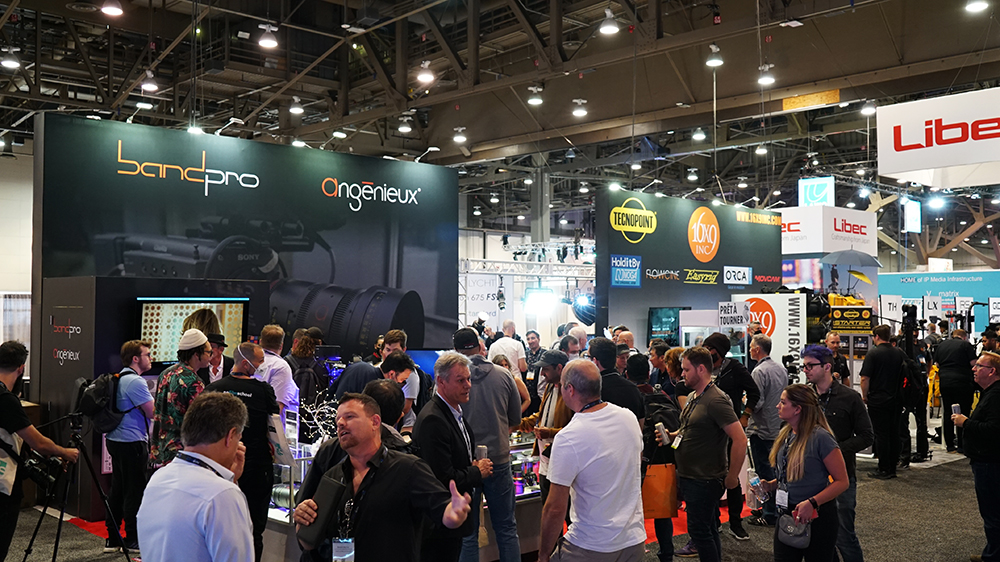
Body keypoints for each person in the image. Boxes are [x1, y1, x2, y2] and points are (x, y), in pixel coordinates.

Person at [293, 393, 472, 561]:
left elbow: (444, 511)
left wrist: (454, 514)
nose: (340, 423)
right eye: (338, 419)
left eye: (349, 416)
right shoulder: (332, 476)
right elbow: (309, 543)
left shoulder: (408, 469)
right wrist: (302, 522)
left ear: (375, 422)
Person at [539, 358, 646, 562]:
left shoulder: (568, 437)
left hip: (590, 545)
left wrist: (543, 555)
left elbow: (555, 508)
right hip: (633, 540)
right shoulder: (628, 418)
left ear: (570, 389)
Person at [137, 392, 252, 562]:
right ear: (230, 436)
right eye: (238, 439)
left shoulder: (159, 478)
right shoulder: (222, 495)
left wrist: (229, 480)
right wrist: (229, 486)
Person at [665, 347, 747, 562]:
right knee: (707, 530)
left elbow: (740, 439)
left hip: (704, 479)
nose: (682, 374)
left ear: (701, 369)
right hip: (692, 476)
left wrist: (732, 477)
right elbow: (690, 429)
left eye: (686, 370)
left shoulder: (715, 400)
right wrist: (671, 435)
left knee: (701, 532)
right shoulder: (695, 396)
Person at [0, 341, 79, 560]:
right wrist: (65, 452)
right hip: (4, 486)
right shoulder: (6, 400)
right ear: (21, 368)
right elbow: (39, 443)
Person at [413, 353, 494, 562]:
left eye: (468, 379)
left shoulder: (453, 410)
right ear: (441, 381)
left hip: (452, 519)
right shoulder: (433, 420)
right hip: (440, 523)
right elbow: (441, 479)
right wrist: (476, 471)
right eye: (460, 380)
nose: (468, 385)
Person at [204, 342, 279, 562]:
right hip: (256, 469)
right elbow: (275, 425)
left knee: (218, 527)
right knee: (254, 529)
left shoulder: (213, 389)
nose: (263, 364)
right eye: (259, 361)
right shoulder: (264, 391)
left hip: (218, 467)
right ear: (246, 364)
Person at [453, 327, 522, 562]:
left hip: (465, 463)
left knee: (467, 533)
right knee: (506, 528)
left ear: (455, 350)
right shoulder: (503, 375)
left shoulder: (450, 378)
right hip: (498, 458)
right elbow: (516, 417)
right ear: (480, 345)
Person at [762, 384, 850, 562]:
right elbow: (791, 475)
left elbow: (842, 481)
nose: (778, 406)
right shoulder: (786, 433)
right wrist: (771, 485)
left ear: (797, 409)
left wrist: (812, 502)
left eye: (783, 402)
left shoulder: (821, 438)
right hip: (787, 515)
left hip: (818, 518)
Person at [801, 344, 871, 562]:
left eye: (810, 366)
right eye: (804, 366)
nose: (806, 370)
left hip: (840, 476)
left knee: (843, 535)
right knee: (814, 536)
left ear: (827, 367)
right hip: (808, 477)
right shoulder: (804, 397)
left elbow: (867, 436)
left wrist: (835, 451)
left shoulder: (850, 397)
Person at [702, 332, 760, 540]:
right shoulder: (704, 368)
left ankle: (736, 523)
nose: (707, 352)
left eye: (710, 348)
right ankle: (715, 521)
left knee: (732, 477)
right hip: (708, 431)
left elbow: (754, 392)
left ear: (719, 350)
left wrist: (745, 415)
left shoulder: (734, 368)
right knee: (710, 477)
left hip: (730, 429)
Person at [625, 353, 680, 561]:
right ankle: (667, 553)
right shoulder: (663, 395)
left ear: (627, 374)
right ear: (649, 374)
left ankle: (636, 550)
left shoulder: (630, 398)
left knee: (632, 509)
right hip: (663, 459)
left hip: (638, 459)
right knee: (662, 512)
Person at [104, 340, 155, 554]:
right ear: (136, 358)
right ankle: (133, 539)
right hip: (132, 442)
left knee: (118, 490)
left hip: (115, 440)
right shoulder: (136, 382)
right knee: (134, 491)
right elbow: (152, 412)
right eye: (147, 355)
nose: (150, 358)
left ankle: (113, 538)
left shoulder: (119, 378)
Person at [953, 351, 1000, 562]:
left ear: (991, 371)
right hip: (987, 460)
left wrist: (966, 423)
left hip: (990, 462)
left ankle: (993, 556)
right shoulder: (990, 393)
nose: (974, 369)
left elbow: (994, 429)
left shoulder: (995, 396)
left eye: (979, 366)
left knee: (992, 512)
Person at [517, 350, 574, 506]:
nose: (542, 373)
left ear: (559, 368)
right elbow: (542, 415)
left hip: (562, 463)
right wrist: (520, 423)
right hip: (545, 462)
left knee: (563, 511)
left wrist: (550, 432)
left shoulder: (571, 392)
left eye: (546, 369)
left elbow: (579, 429)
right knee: (547, 508)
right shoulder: (549, 387)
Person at [151, 328, 211, 466]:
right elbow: (200, 420)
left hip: (161, 449)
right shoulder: (194, 382)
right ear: (196, 354)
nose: (211, 356)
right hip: (182, 453)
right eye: (209, 352)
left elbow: (157, 410)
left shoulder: (165, 373)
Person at [745, 335, 786, 528]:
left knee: (764, 471)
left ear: (757, 349)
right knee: (777, 471)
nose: (749, 350)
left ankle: (769, 513)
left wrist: (745, 405)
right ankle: (775, 509)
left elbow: (757, 402)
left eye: (751, 347)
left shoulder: (758, 371)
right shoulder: (780, 368)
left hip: (761, 428)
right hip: (778, 426)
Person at [859, 324, 907, 479]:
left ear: (877, 337)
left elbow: (865, 378)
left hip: (878, 399)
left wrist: (864, 396)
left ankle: (884, 468)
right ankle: (892, 466)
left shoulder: (873, 354)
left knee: (881, 434)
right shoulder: (899, 353)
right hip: (896, 399)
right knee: (894, 432)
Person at [935, 328, 977, 454]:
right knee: (963, 412)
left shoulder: (942, 345)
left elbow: (937, 364)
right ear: (964, 337)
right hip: (962, 382)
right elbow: (973, 364)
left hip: (945, 382)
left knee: (948, 412)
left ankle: (949, 445)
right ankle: (962, 445)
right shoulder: (965, 345)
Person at [589, 337, 644, 427]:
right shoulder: (633, 389)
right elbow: (640, 424)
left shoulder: (592, 391)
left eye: (588, 357)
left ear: (595, 361)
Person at [257, 324, 298, 421]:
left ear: (260, 342)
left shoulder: (251, 360)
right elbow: (277, 407)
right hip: (268, 425)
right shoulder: (281, 367)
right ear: (281, 345)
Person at [524, 330, 545, 414]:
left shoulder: (544, 354)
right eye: (528, 339)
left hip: (539, 391)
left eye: (533, 338)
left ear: (538, 339)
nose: (530, 341)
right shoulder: (525, 354)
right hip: (527, 392)